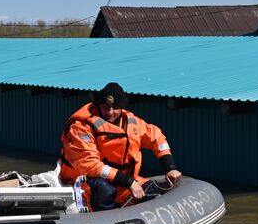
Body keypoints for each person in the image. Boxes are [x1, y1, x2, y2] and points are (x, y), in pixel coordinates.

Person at [58, 82, 183, 211]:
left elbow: (157, 138)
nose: (110, 112)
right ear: (98, 105)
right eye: (105, 107)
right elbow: (90, 166)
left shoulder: (131, 122)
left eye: (115, 107)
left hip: (122, 183)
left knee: (156, 190)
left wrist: (170, 167)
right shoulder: (81, 127)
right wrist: (128, 182)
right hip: (86, 182)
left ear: (122, 107)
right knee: (103, 189)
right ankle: (102, 222)